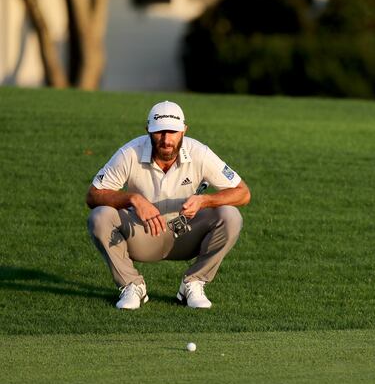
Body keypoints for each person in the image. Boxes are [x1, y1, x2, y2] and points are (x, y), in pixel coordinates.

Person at [86, 101, 251, 310]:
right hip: (142, 233)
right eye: (159, 132)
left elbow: (243, 193)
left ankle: (193, 283)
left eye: (172, 132)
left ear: (184, 130)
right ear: (148, 130)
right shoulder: (130, 153)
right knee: (99, 217)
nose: (166, 140)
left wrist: (204, 200)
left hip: (186, 234)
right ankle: (131, 285)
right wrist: (133, 199)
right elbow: (92, 195)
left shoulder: (199, 152)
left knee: (231, 216)